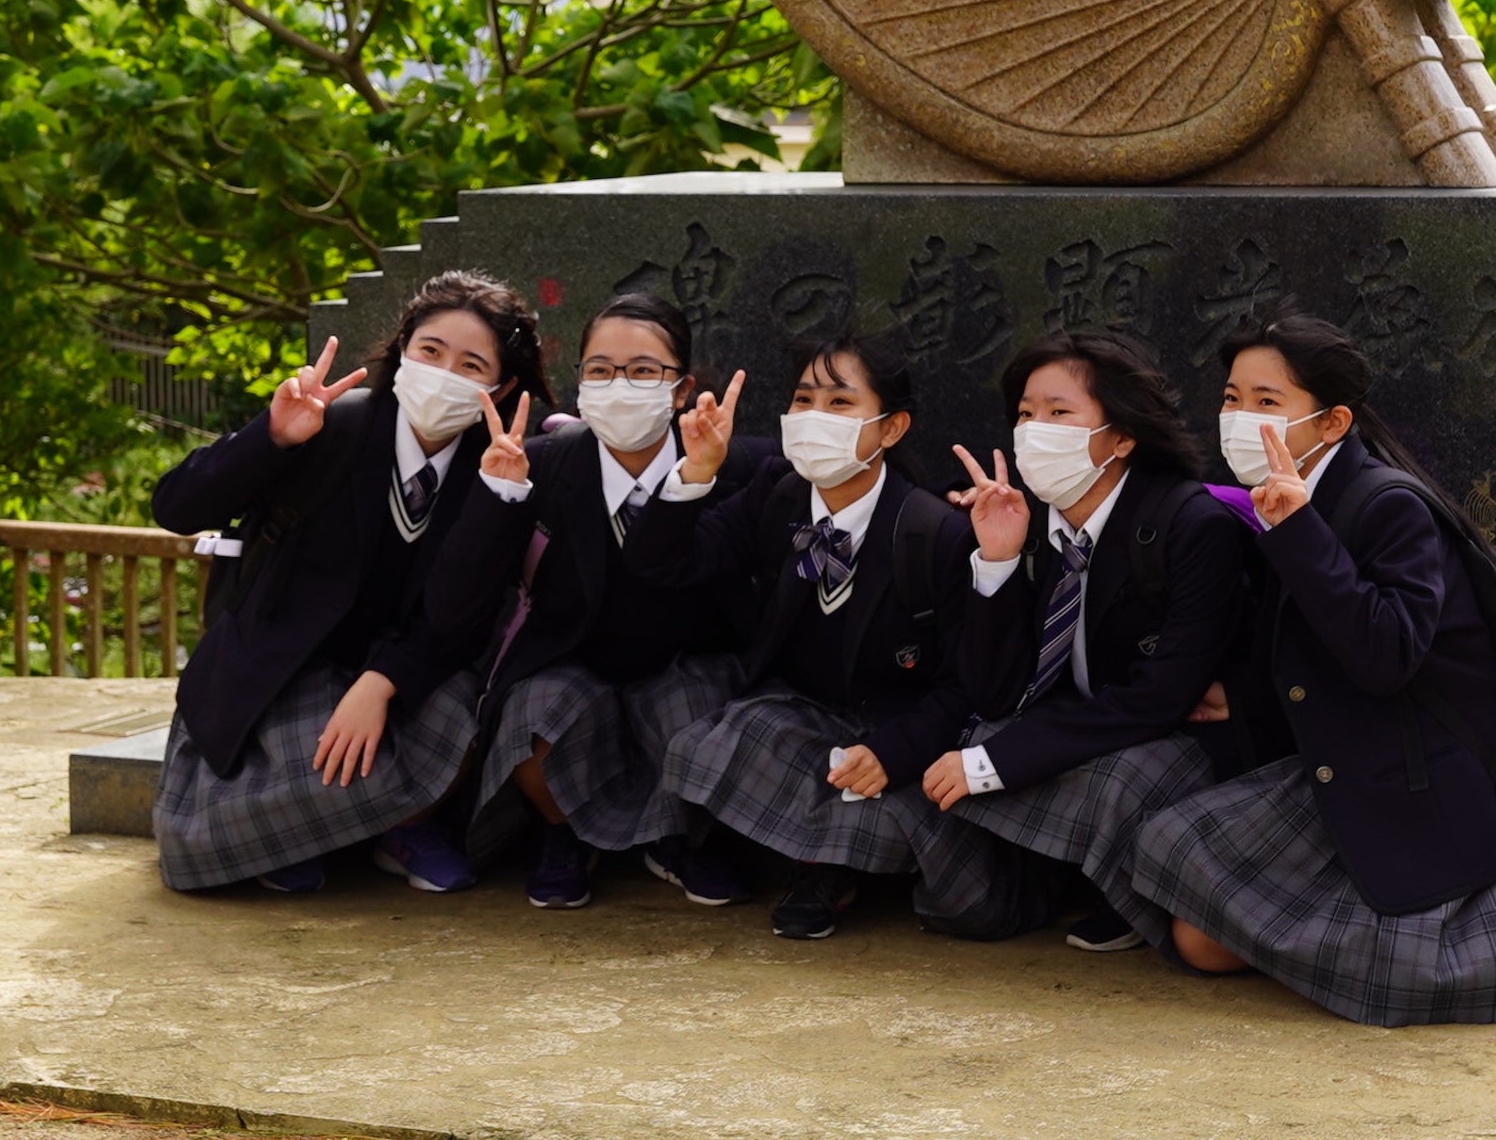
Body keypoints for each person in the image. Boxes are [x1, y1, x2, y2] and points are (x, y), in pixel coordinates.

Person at [1118, 312, 1496, 1025]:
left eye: (1266, 402)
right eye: (1230, 399)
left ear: (1333, 422)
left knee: (1229, 941)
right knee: (1184, 899)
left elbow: (1386, 656)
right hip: (1342, 756)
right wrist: (1236, 695)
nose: (1240, 418)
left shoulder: (1385, 506)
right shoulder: (1287, 496)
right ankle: (1350, 928)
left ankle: (1477, 938)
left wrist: (1299, 533)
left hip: (1418, 774)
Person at [147, 271, 545, 896]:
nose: (445, 374)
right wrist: (271, 436)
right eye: (431, 352)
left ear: (502, 386)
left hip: (414, 668)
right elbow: (175, 506)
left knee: (452, 718)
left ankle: (396, 829)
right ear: (403, 350)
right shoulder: (331, 426)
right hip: (285, 664)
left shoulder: (500, 470)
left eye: (472, 365)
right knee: (306, 753)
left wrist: (383, 682)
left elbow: (458, 613)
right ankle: (320, 828)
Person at [637, 331, 998, 941]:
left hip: (899, 727)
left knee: (889, 811)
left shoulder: (934, 533)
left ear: (891, 427)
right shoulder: (777, 496)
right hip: (802, 715)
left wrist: (896, 753)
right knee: (714, 742)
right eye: (803, 401)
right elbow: (664, 564)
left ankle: (824, 864)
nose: (814, 419)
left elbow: (971, 683)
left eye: (839, 404)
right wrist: (697, 470)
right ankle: (812, 853)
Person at [925, 331, 1252, 951]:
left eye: (1059, 413)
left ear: (1122, 437)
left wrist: (997, 766)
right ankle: (1045, 878)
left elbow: (1161, 699)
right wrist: (996, 559)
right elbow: (995, 693)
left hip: (1179, 735)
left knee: (1112, 775)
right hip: (1087, 716)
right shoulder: (1035, 517)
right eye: (1025, 414)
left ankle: (1130, 893)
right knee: (978, 739)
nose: (1034, 430)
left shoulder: (1191, 526)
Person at [434, 289, 746, 909]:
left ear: (681, 388)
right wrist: (497, 497)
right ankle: (566, 833)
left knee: (702, 722)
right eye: (601, 370)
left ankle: (675, 841)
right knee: (532, 720)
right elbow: (454, 600)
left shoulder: (733, 466)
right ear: (579, 382)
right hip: (573, 661)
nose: (620, 385)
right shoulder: (541, 464)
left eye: (643, 371)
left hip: (684, 660)